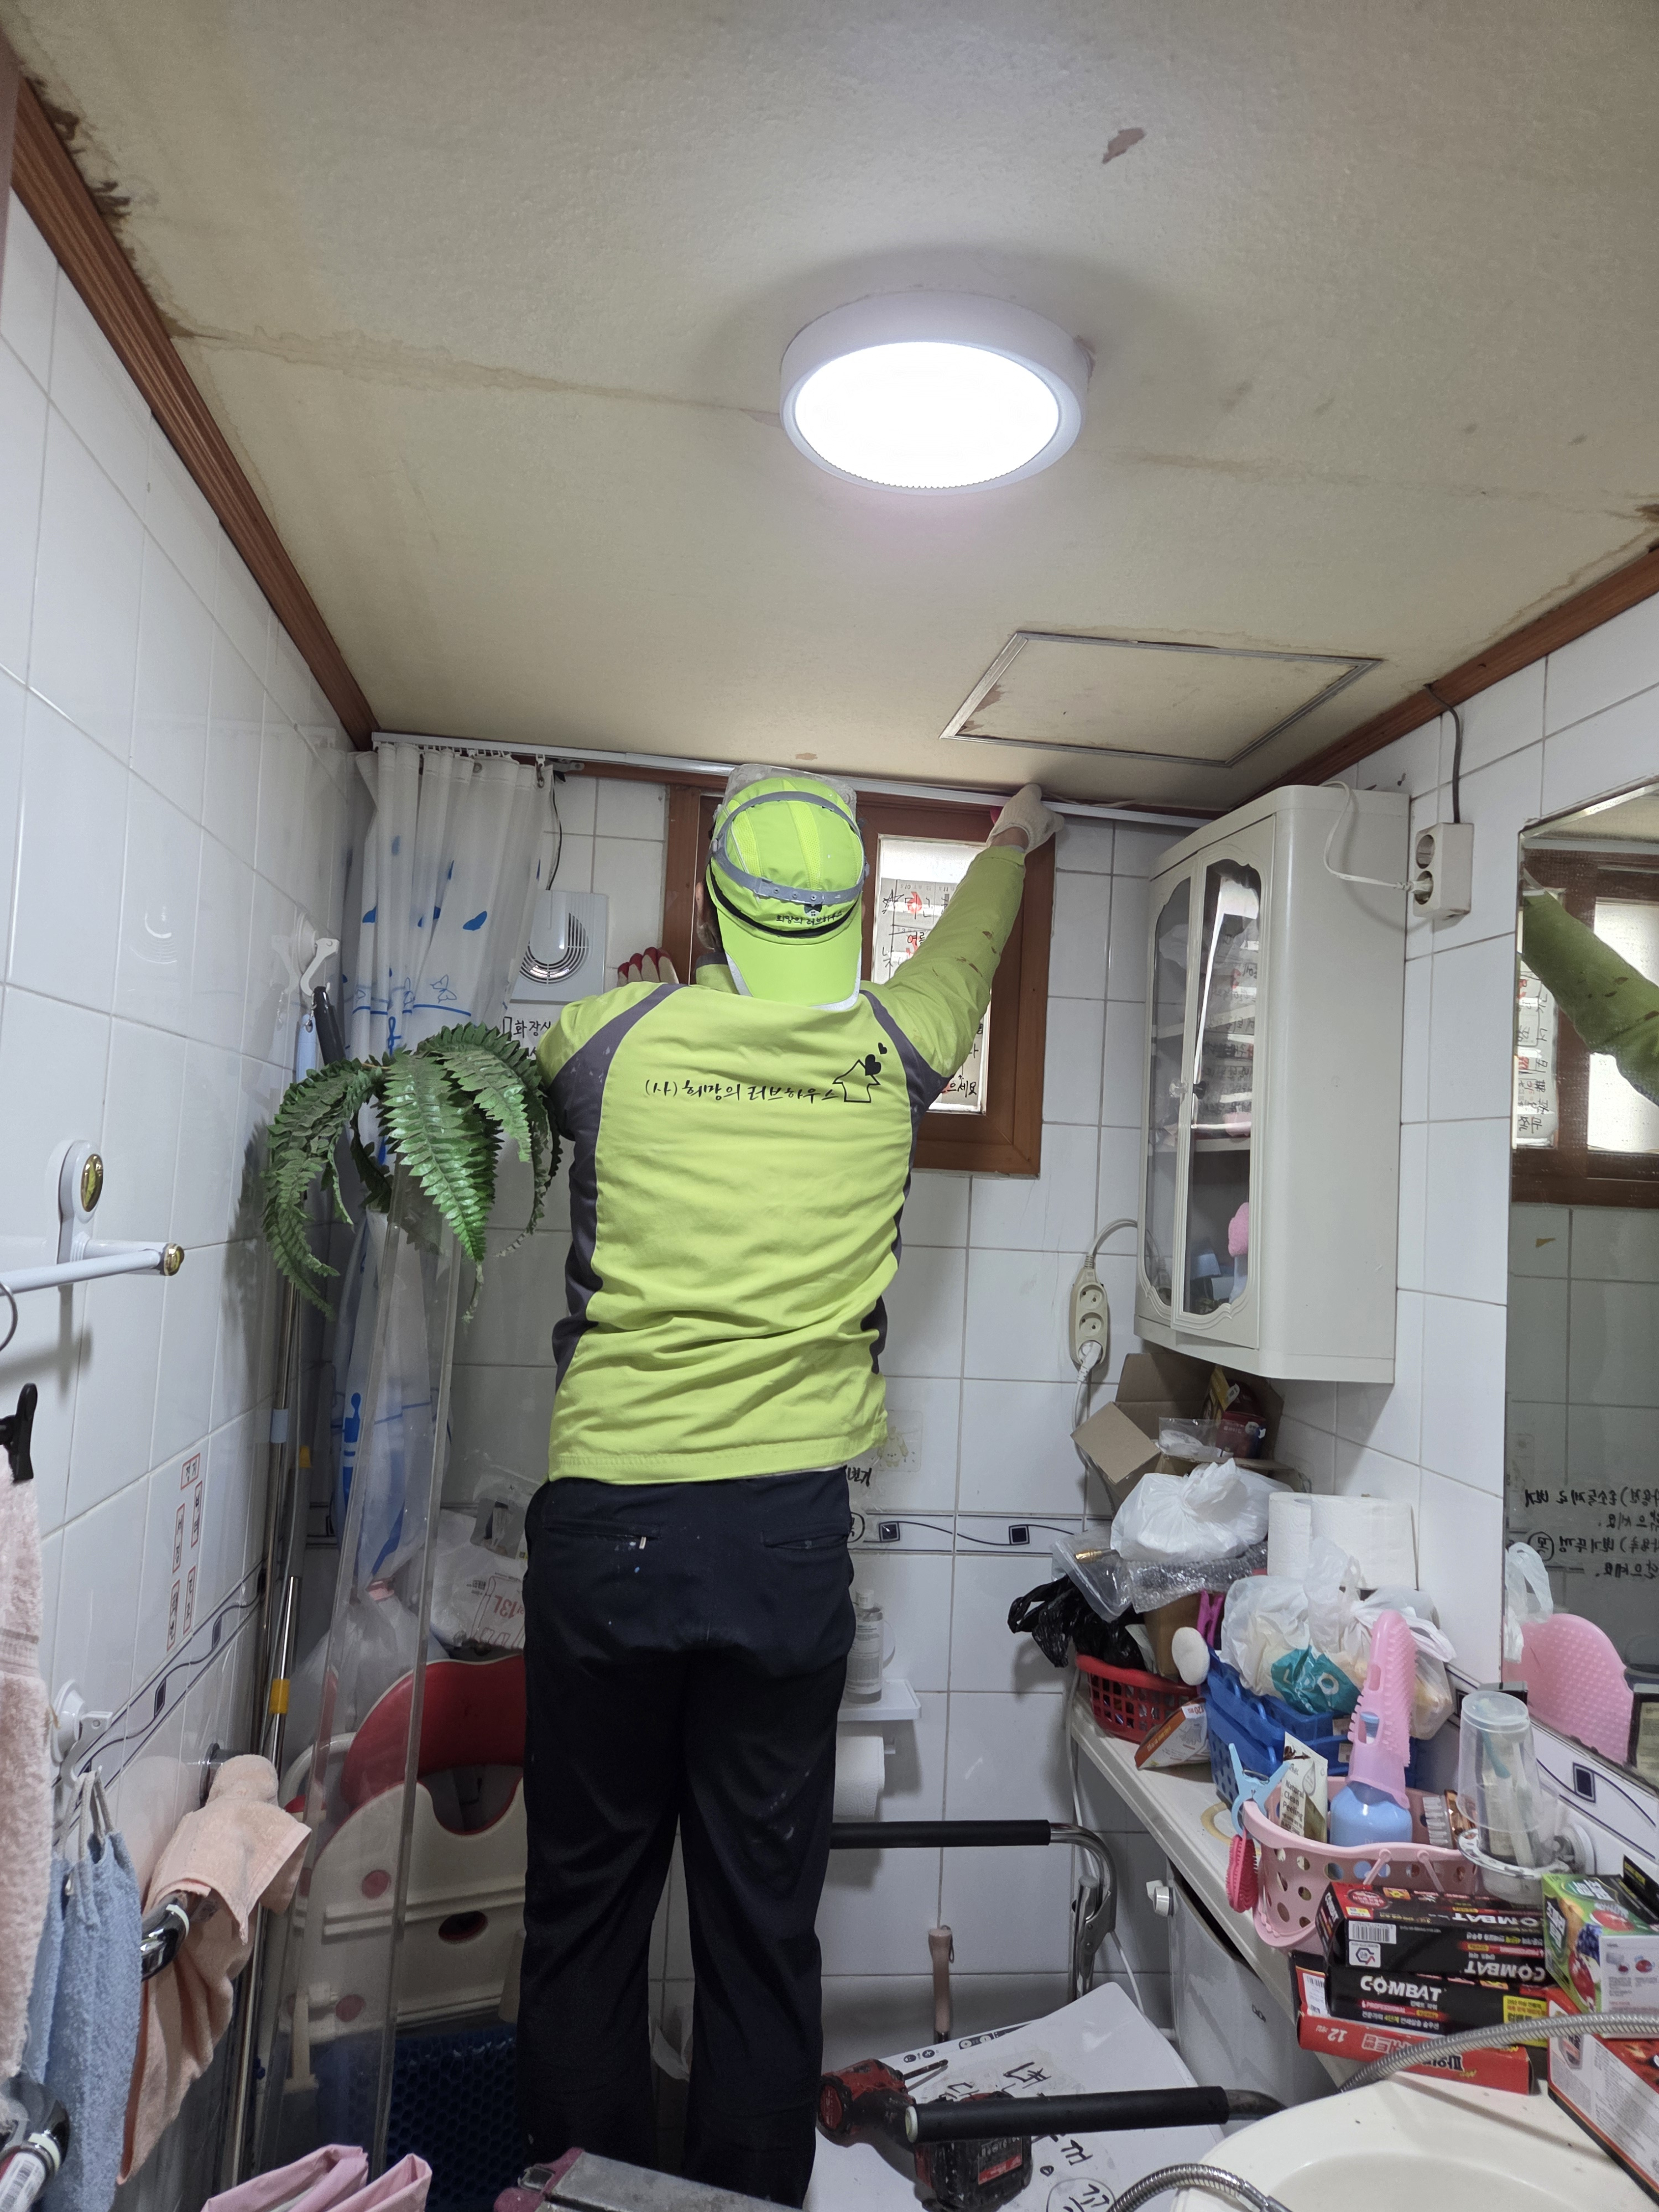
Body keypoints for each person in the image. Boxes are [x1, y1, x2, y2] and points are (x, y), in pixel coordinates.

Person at [517, 768, 1057, 2205]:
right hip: (781, 1545)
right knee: (761, 1936)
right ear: (855, 922)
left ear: (709, 909)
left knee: (585, 1923)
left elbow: (592, 1066)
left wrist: (664, 989)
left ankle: (580, 2197)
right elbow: (969, 954)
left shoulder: (604, 1038)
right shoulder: (894, 1046)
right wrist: (1011, 834)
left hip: (610, 1536)